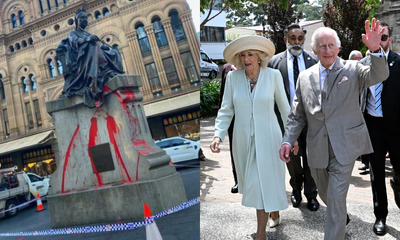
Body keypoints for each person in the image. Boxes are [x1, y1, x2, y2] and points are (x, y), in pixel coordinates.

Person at [279, 19, 389, 240]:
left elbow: (379, 75)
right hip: (317, 147)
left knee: (336, 198)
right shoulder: (305, 77)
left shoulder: (354, 69)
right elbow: (297, 115)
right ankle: (340, 216)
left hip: (345, 145)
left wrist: (375, 50)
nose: (327, 50)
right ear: (314, 49)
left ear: (338, 48)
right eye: (322, 45)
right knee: (326, 195)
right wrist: (287, 140)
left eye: (331, 45)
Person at [210, 35, 290, 240]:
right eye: (243, 55)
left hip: (270, 138)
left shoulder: (273, 76)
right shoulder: (232, 79)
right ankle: (272, 211)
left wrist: (292, 137)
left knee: (263, 182)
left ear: (259, 57)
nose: (246, 59)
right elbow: (226, 109)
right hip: (243, 140)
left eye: (250, 54)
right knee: (255, 183)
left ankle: (261, 233)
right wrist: (218, 135)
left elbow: (284, 109)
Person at [268, 23, 320, 212]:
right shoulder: (274, 62)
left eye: (300, 39)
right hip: (286, 121)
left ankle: (312, 195)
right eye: (293, 38)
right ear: (285, 40)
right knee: (292, 161)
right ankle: (296, 191)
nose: (297, 42)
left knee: (311, 160)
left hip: (312, 122)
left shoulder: (314, 60)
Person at [359, 21, 400, 236]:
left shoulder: (399, 62)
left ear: (390, 40)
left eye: (382, 37)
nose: (378, 40)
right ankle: (380, 216)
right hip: (372, 125)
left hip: (396, 127)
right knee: (375, 173)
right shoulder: (363, 64)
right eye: (375, 36)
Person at [57, 9, 124, 107]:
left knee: (113, 52)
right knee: (91, 45)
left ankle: (106, 71)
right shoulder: (73, 33)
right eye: (81, 18)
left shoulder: (87, 33)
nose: (84, 19)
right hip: (81, 60)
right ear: (77, 21)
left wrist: (101, 47)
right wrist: (87, 39)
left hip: (92, 57)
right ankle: (94, 79)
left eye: (85, 18)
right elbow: (74, 41)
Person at [218, 63, 239, 194]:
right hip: (232, 115)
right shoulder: (226, 68)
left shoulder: (250, 65)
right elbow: (223, 91)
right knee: (234, 148)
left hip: (249, 114)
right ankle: (238, 180)